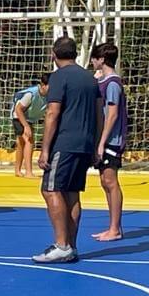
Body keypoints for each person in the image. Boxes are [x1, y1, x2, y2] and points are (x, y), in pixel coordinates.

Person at [34, 36, 102, 264]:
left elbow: (53, 113)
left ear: (54, 54)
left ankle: (62, 244)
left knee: (51, 190)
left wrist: (44, 149)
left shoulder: (59, 77)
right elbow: (99, 114)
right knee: (72, 194)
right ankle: (71, 245)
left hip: (65, 143)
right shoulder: (90, 79)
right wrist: (95, 144)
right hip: (84, 143)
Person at [90, 42, 127, 242]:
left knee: (111, 181)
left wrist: (102, 142)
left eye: (94, 58)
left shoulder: (113, 83)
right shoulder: (102, 81)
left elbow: (112, 115)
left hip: (112, 140)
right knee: (105, 181)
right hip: (105, 139)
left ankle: (115, 228)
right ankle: (113, 226)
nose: (92, 62)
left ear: (102, 59)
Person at [10, 73, 50, 178]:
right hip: (18, 117)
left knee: (21, 143)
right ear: (43, 85)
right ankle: (28, 172)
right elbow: (18, 109)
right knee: (29, 139)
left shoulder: (49, 96)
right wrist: (26, 126)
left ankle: (17, 170)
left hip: (29, 118)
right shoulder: (31, 94)